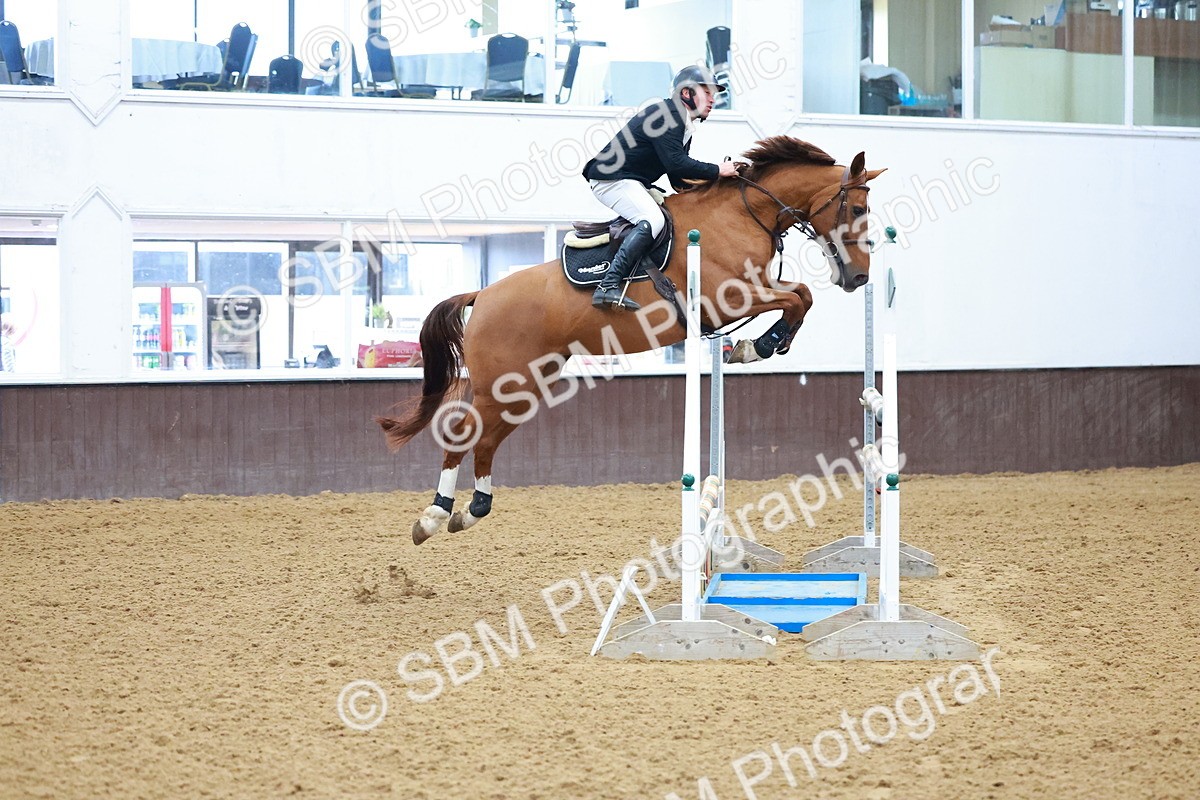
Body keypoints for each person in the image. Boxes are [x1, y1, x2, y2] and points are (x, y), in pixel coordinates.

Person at [582, 65, 740, 311]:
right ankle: (607, 285)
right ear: (686, 93)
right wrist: (717, 170)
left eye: (714, 94)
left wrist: (716, 187)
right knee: (653, 220)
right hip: (611, 180)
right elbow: (676, 163)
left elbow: (677, 176)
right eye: (707, 92)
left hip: (632, 180)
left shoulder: (682, 122)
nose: (713, 99)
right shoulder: (667, 114)